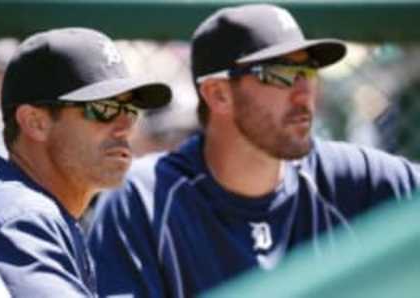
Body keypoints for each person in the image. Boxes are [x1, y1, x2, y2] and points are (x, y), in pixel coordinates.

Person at [87, 4, 420, 298]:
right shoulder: (144, 200)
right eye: (280, 75)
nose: (304, 94)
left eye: (307, 72)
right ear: (218, 95)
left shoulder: (350, 177)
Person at [0, 27, 171, 298]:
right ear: (36, 122)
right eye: (104, 109)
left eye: (130, 111)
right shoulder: (20, 218)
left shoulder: (25, 208)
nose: (125, 127)